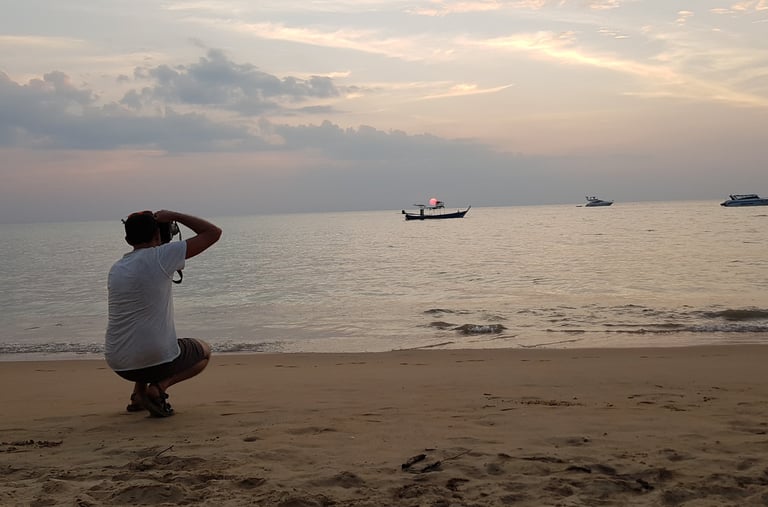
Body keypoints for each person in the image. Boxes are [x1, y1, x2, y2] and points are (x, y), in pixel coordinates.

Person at [105, 210, 222, 417]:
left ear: (127, 239)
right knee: (204, 352)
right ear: (158, 236)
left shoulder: (116, 268)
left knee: (142, 332)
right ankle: (158, 388)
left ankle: (137, 395)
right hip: (154, 360)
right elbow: (213, 232)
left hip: (119, 363)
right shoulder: (162, 256)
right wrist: (174, 216)